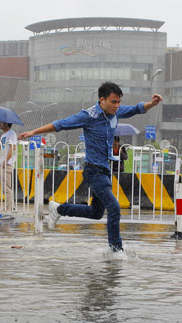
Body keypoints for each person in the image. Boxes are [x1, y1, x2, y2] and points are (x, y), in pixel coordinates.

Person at [18, 82, 162, 252]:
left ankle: (59, 208)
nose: (117, 106)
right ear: (102, 100)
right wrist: (34, 132)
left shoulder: (115, 112)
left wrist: (151, 104)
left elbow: (135, 109)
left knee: (96, 213)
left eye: (119, 102)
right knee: (114, 208)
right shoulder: (88, 115)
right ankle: (116, 251)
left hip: (105, 170)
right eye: (114, 102)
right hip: (94, 171)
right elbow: (61, 124)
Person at [0, 121, 17, 215]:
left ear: (6, 123)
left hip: (6, 164)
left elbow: (13, 148)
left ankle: (8, 210)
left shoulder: (12, 134)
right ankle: (9, 207)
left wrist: (6, 161)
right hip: (1, 163)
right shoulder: (3, 135)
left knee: (7, 187)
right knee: (4, 187)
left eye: (1, 122)